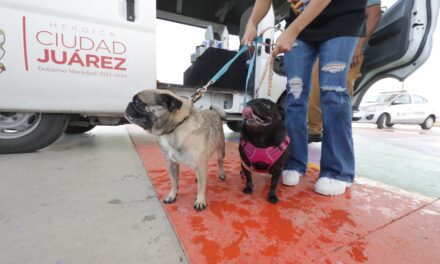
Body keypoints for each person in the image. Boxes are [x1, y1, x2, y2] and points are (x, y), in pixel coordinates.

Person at [242, 0, 367, 196]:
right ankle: (293, 161)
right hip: (301, 24)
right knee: (295, 93)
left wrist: (292, 30)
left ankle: (337, 171)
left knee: (332, 91)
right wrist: (252, 22)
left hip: (342, 18)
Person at [308, 0, 382, 143]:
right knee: (316, 91)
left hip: (349, 47)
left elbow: (375, 13)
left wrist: (358, 46)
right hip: (326, 45)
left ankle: (337, 140)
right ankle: (315, 131)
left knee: (337, 97)